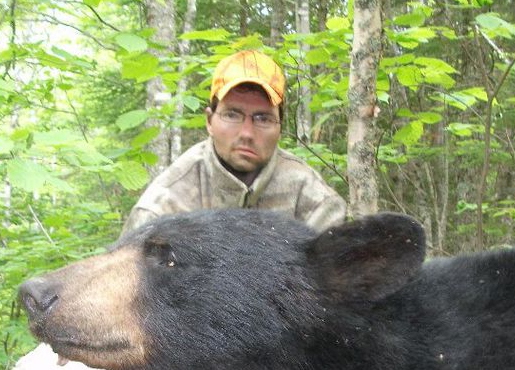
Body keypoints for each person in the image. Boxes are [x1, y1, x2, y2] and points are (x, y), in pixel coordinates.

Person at [123, 50, 347, 233]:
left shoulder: (314, 202)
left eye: (263, 118)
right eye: (232, 115)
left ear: (280, 127)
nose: (247, 133)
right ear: (209, 121)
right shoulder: (164, 206)